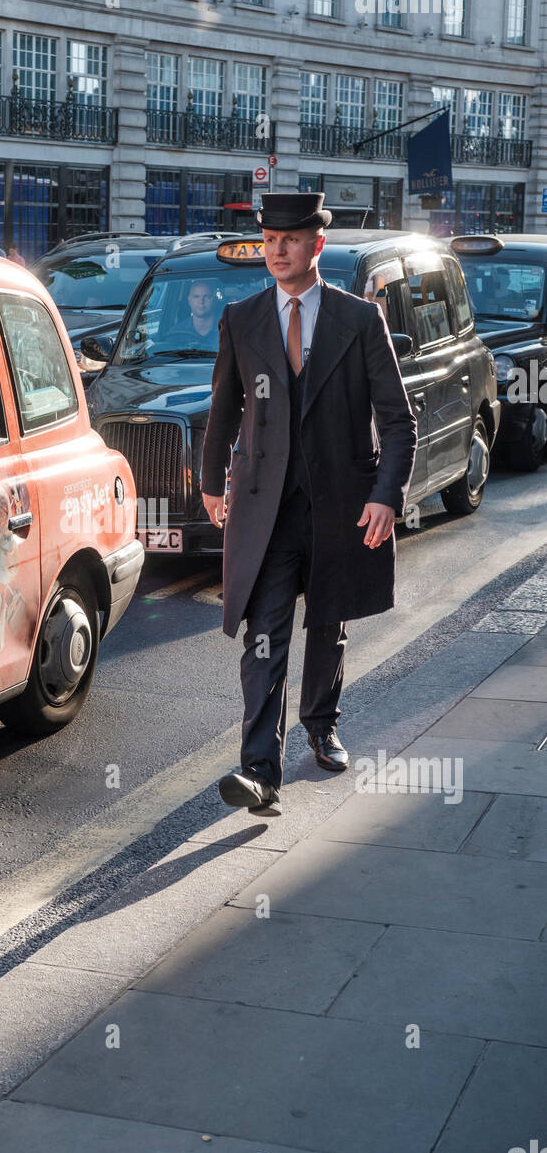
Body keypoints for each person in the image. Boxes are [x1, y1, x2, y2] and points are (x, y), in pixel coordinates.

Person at [201, 192, 416, 816]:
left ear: (316, 245)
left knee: (328, 620)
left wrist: (385, 497)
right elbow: (225, 408)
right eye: (269, 239)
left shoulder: (359, 319)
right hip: (265, 509)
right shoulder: (243, 320)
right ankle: (259, 770)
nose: (275, 250)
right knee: (264, 632)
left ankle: (321, 722)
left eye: (289, 240)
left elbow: (397, 421)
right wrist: (213, 482)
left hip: (340, 505)